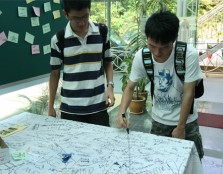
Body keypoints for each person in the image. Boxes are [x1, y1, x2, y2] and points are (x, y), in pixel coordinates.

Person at [116, 10, 204, 159]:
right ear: (147, 38)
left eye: (164, 47)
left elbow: (189, 93)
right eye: (152, 45)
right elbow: (130, 87)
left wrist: (181, 127)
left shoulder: (188, 55)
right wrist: (121, 113)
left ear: (174, 39)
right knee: (157, 160)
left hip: (186, 122)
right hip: (158, 121)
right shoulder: (141, 57)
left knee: (191, 162)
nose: (157, 52)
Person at [48, 0, 115, 127]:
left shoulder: (101, 32)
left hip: (98, 106)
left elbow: (108, 61)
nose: (82, 22)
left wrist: (110, 86)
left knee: (102, 145)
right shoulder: (58, 39)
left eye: (85, 16)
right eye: (76, 18)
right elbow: (54, 74)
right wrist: (50, 106)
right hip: (70, 109)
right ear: (65, 14)